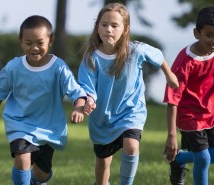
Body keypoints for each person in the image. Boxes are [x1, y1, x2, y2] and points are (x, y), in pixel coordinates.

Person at [0, 15, 87, 185]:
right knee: (22, 159)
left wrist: (79, 108)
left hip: (48, 128)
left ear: (50, 41)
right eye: (28, 43)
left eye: (39, 43)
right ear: (21, 41)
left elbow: (76, 91)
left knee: (42, 173)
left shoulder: (58, 67)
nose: (34, 48)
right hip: (20, 123)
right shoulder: (13, 68)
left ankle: (37, 181)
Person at [77, 3, 179, 185]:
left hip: (130, 111)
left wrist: (169, 75)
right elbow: (87, 85)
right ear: (97, 26)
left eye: (114, 25)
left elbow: (158, 56)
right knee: (103, 161)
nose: (109, 29)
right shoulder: (91, 57)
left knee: (131, 147)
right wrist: (89, 100)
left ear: (125, 29)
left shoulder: (136, 50)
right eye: (104, 24)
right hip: (102, 117)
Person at [163, 7, 214, 185]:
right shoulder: (184, 63)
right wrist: (172, 135)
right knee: (203, 159)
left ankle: (179, 159)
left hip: (210, 114)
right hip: (189, 116)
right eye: (209, 35)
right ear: (197, 33)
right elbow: (172, 100)